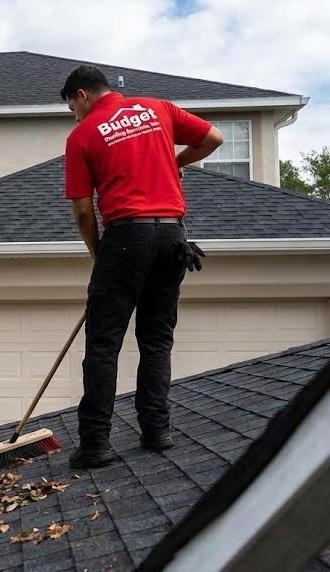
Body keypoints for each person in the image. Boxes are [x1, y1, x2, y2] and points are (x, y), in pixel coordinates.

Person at [60, 65, 224, 469]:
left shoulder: (82, 135)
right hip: (173, 237)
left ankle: (95, 446)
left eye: (71, 108)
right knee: (155, 339)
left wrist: (100, 254)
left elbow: (83, 212)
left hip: (125, 236)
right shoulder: (158, 109)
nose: (74, 116)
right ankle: (157, 432)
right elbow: (214, 138)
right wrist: (177, 163)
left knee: (103, 345)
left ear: (82, 96)